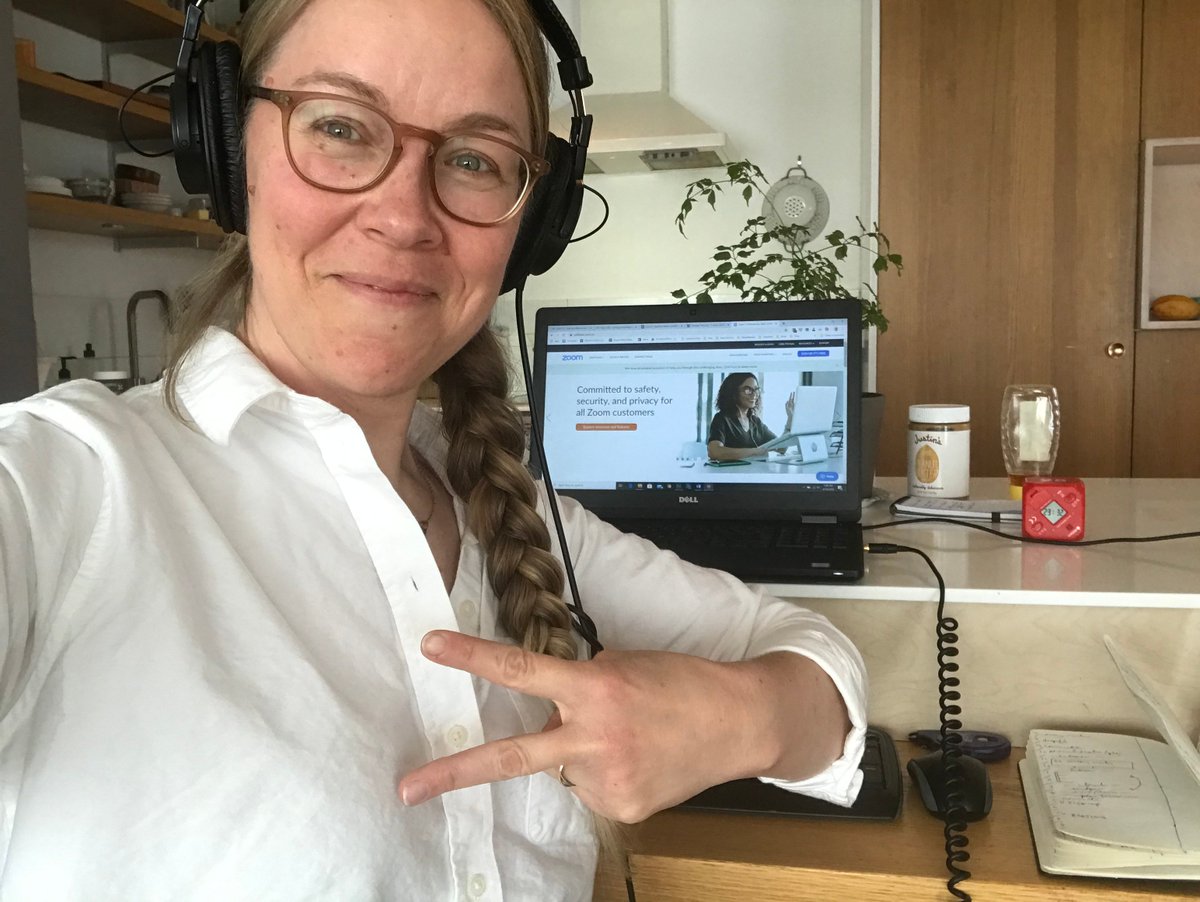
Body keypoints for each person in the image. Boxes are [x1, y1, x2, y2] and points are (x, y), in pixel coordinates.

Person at [0, 0, 867, 898]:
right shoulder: (69, 483)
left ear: (531, 224)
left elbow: (810, 654)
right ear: (227, 150)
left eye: (472, 159)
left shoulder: (507, 509)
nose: (405, 216)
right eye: (340, 127)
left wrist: (739, 717)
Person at [707, 372, 797, 461]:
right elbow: (714, 452)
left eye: (756, 390)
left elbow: (780, 448)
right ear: (733, 393)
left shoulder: (755, 422)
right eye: (748, 390)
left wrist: (790, 418)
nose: (754, 395)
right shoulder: (722, 419)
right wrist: (754, 452)